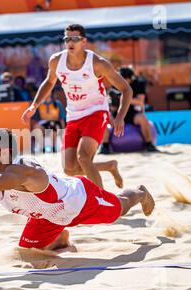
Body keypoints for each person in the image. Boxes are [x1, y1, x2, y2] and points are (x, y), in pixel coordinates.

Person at [0, 128, 155, 250]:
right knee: (28, 252)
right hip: (48, 216)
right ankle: (61, 235)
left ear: (4, 153)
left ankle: (141, 192)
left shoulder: (22, 171)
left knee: (120, 208)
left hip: (80, 201)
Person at [22, 24, 132, 189]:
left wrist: (120, 118)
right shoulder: (56, 61)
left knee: (84, 157)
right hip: (73, 115)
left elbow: (126, 89)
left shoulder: (97, 63)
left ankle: (103, 202)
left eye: (74, 39)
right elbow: (49, 82)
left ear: (84, 41)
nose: (70, 42)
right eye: (67, 39)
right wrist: (34, 105)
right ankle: (109, 166)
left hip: (96, 111)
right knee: (69, 169)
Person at [99, 67, 159, 154]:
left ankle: (149, 144)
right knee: (103, 119)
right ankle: (105, 145)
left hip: (132, 113)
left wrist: (122, 98)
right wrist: (112, 104)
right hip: (117, 113)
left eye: (123, 78)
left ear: (129, 78)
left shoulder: (139, 84)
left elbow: (140, 102)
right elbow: (112, 107)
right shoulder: (115, 85)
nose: (120, 80)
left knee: (143, 118)